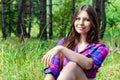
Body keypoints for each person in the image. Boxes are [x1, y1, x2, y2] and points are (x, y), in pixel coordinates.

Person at [41, 4, 109, 80]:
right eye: (77, 19)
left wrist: (62, 49)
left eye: (87, 20)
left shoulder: (101, 48)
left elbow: (88, 64)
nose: (81, 23)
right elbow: (53, 70)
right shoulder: (64, 41)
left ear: (93, 23)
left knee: (72, 66)